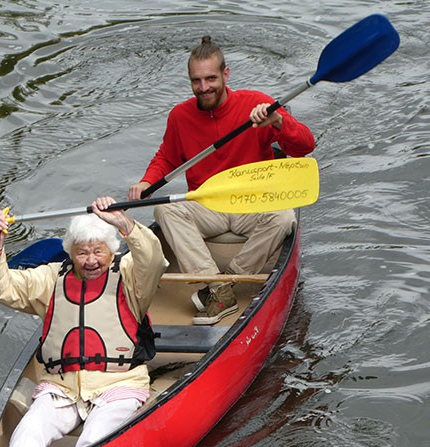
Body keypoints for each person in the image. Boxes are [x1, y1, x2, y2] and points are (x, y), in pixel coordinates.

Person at [129, 35, 315, 325]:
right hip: (208, 204)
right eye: (196, 81)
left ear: (226, 75)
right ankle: (214, 285)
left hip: (252, 203)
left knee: (283, 217)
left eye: (211, 79)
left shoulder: (256, 104)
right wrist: (145, 182)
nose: (204, 88)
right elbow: (167, 157)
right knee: (164, 209)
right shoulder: (180, 116)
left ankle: (225, 284)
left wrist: (278, 122)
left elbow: (305, 147)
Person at [0, 197, 168, 447]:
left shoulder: (131, 275)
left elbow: (153, 259)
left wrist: (123, 223)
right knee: (28, 431)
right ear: (70, 252)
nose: (91, 260)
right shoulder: (50, 279)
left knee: (91, 443)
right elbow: (2, 287)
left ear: (111, 250)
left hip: (118, 386)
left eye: (97, 251)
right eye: (82, 253)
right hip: (62, 388)